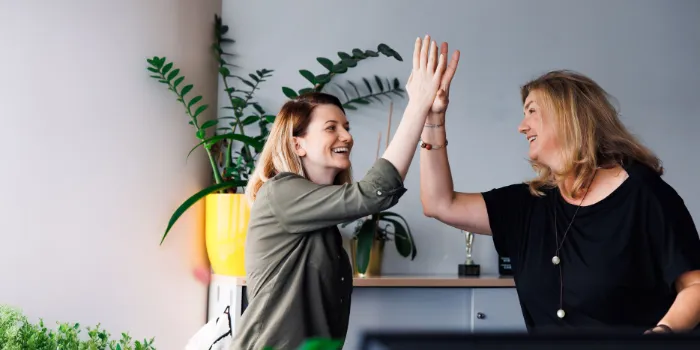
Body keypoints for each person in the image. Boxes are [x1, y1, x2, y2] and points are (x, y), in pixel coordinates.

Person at [419, 62, 700, 334]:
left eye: (531, 111)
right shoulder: (529, 204)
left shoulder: (644, 194)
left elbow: (695, 287)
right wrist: (433, 118)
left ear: (568, 115)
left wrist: (663, 333)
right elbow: (439, 203)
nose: (522, 126)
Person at [231, 35, 459, 350]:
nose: (346, 136)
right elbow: (374, 193)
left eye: (346, 126)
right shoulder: (279, 193)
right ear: (298, 144)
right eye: (331, 128)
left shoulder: (319, 216)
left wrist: (431, 115)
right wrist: (417, 105)